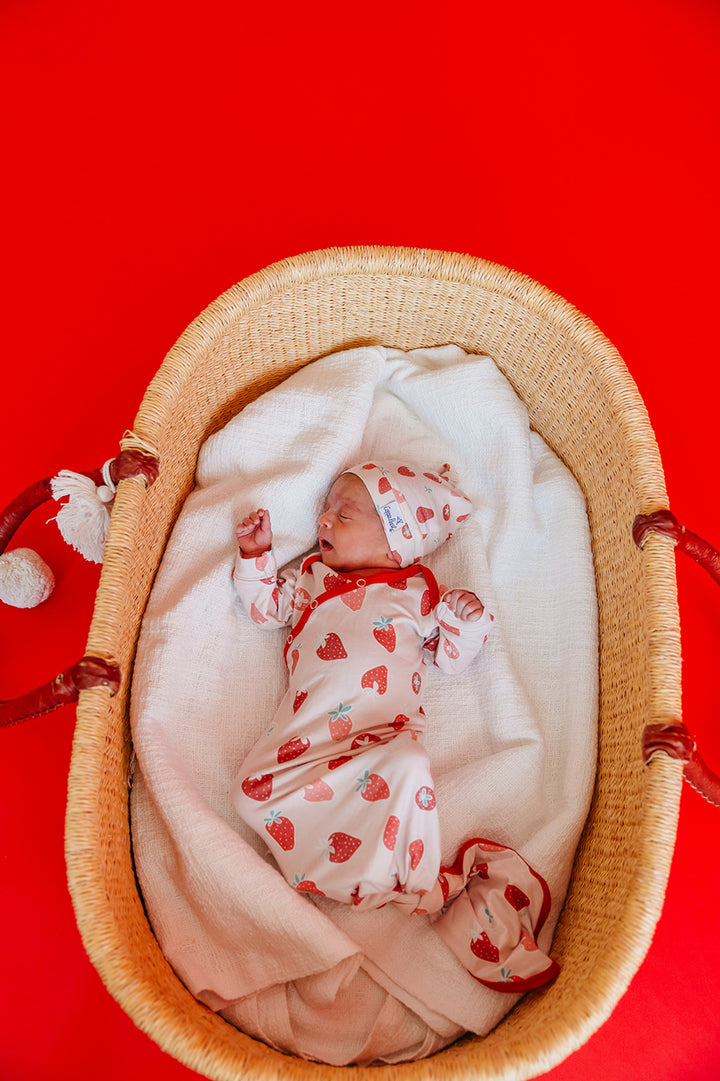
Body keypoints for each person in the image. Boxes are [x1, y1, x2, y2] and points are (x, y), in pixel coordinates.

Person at [231, 461, 559, 992]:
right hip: (310, 736)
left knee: (408, 766)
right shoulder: (313, 578)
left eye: (344, 513)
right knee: (251, 792)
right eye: (326, 510)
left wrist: (464, 621)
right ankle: (337, 867)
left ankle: (387, 877)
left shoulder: (418, 592)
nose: (323, 521)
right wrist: (255, 558)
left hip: (381, 735)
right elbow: (267, 608)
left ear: (395, 546)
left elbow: (450, 659)